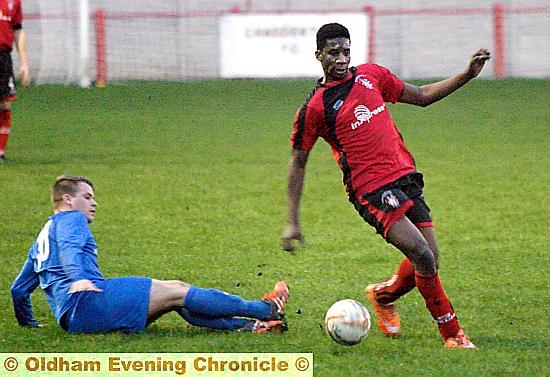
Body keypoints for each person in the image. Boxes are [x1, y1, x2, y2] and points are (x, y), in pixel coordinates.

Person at [282, 23, 490, 348]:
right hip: (372, 191)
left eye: (346, 51)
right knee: (421, 254)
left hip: (405, 177)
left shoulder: (371, 76)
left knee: (431, 255)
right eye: (333, 52)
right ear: (318, 55)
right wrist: (292, 222)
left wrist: (467, 74)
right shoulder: (315, 109)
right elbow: (298, 163)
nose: (341, 58)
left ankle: (382, 295)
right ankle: (452, 335)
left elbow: (421, 96)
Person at [11, 175, 290, 334]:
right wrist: (79, 278)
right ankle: (267, 309)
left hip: (73, 315)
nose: (94, 203)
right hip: (89, 302)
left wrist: (29, 325)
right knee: (178, 289)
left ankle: (250, 327)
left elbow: (19, 291)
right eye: (87, 197)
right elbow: (71, 251)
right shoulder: (71, 219)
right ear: (68, 200)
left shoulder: (42, 237)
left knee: (173, 300)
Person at [0, 0, 30, 162]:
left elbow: (18, 30)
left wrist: (24, 63)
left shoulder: (14, 2)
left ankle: (0, 152)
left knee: (4, 104)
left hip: (3, 57)